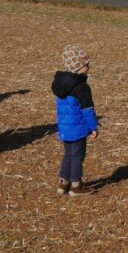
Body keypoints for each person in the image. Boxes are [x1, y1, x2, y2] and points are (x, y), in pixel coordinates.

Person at [52, 45, 100, 196]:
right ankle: (76, 186)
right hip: (78, 128)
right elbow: (88, 110)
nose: (89, 67)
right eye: (86, 64)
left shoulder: (61, 84)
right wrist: (93, 127)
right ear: (78, 66)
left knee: (68, 154)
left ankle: (63, 183)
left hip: (65, 128)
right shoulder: (81, 87)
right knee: (78, 156)